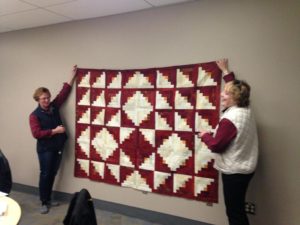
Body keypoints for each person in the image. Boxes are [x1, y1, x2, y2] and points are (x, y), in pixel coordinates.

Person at [198, 59, 258, 225]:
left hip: (235, 171)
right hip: (246, 166)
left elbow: (216, 145)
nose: (222, 95)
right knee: (238, 208)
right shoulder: (245, 109)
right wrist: (225, 71)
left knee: (234, 212)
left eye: (226, 93)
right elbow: (234, 87)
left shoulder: (230, 119)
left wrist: (204, 135)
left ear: (236, 97)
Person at [29, 65, 77, 214]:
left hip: (57, 147)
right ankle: (44, 201)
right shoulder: (34, 115)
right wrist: (55, 131)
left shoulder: (54, 106)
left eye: (48, 97)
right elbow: (36, 133)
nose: (47, 100)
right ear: (37, 99)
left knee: (53, 173)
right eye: (44, 98)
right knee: (45, 173)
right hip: (45, 150)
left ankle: (48, 198)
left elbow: (63, 94)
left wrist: (72, 76)